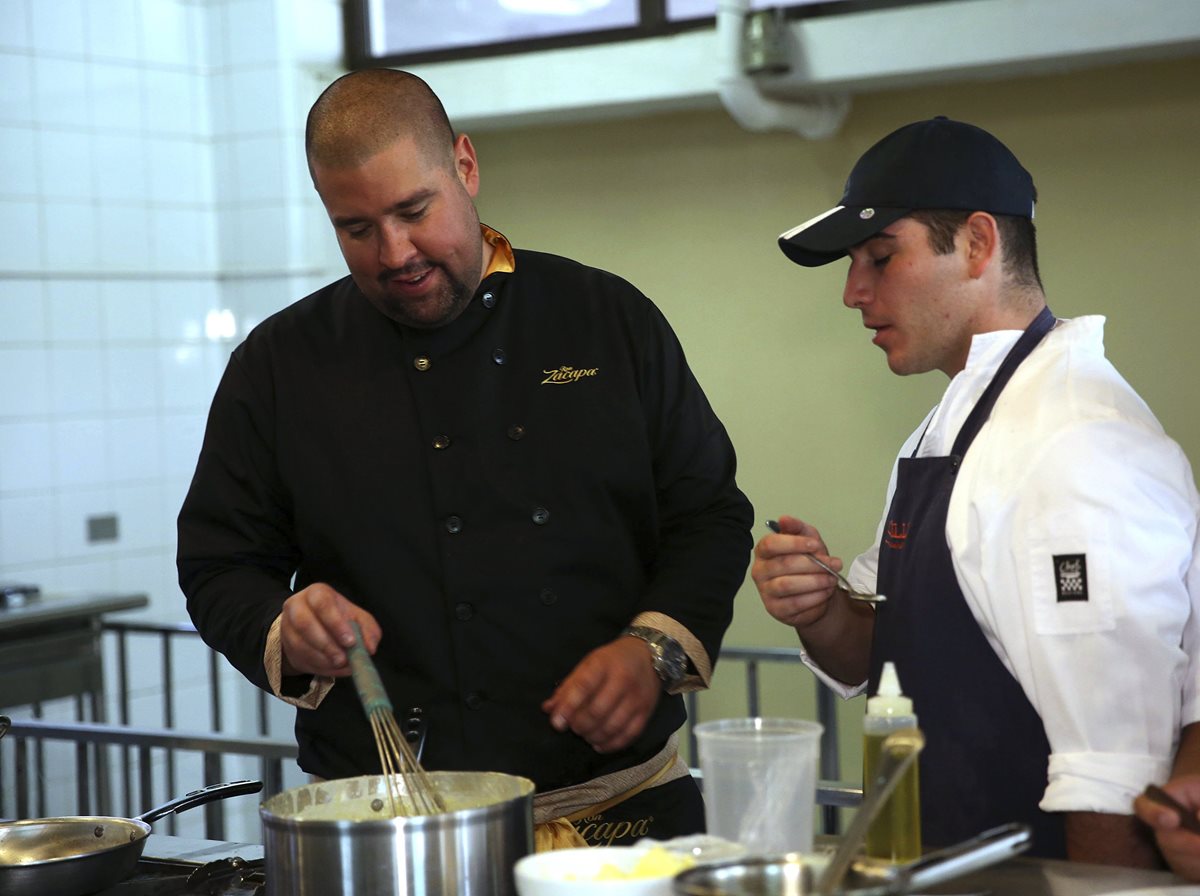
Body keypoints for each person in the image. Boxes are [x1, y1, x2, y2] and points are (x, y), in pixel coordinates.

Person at [177, 68, 753, 850]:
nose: (395, 252)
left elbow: (709, 514)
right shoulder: (280, 366)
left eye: (415, 211)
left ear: (466, 166)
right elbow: (218, 566)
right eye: (356, 228)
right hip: (386, 827)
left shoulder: (604, 319)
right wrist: (286, 625)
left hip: (620, 817)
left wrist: (649, 650)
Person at [751, 116, 1200, 865]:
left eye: (880, 258)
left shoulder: (1073, 443)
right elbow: (881, 643)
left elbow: (1112, 766)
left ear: (979, 244)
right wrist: (822, 606)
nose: (853, 292)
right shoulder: (953, 425)